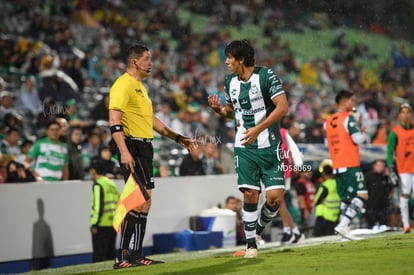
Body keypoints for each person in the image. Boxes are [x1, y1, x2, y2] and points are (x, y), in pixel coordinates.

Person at [109, 43, 196, 268]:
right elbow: (114, 120)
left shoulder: (140, 88)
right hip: (132, 146)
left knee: (145, 203)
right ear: (134, 62)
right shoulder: (123, 84)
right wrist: (124, 151)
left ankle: (135, 254)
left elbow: (152, 121)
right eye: (147, 59)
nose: (151, 63)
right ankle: (122, 256)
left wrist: (179, 138)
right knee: (139, 201)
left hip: (145, 148)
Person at [208, 39, 289, 258]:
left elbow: (283, 108)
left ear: (241, 59)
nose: (226, 62)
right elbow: (231, 112)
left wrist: (258, 129)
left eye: (229, 58)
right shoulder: (229, 82)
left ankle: (258, 228)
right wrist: (218, 110)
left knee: (274, 197)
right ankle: (251, 244)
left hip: (270, 145)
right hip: (244, 147)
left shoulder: (266, 76)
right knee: (250, 193)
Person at [324, 89, 368, 240]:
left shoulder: (328, 122)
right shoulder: (348, 119)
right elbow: (358, 139)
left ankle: (343, 233)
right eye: (352, 100)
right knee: (362, 194)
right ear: (344, 101)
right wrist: (364, 133)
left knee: (346, 199)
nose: (354, 103)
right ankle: (343, 225)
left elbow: (326, 142)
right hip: (350, 163)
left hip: (337, 164)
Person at [387, 102, 414, 233]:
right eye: (403, 112)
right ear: (399, 115)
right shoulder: (395, 133)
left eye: (408, 112)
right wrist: (390, 168)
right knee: (405, 195)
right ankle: (406, 224)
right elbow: (389, 151)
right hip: (404, 169)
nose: (406, 115)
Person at [89, 157, 120, 262]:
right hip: (113, 224)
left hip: (101, 225)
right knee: (110, 257)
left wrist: (94, 223)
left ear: (94, 171)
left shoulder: (98, 184)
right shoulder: (112, 184)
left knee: (100, 258)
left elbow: (98, 206)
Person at [279, 127, 305, 244]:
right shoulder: (282, 132)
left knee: (279, 201)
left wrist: (297, 166)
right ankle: (292, 230)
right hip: (272, 172)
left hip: (282, 171)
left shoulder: (282, 132)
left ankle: (290, 231)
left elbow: (294, 150)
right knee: (279, 202)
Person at [364, 159, 395, 229]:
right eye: (379, 165)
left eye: (383, 166)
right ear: (374, 166)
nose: (381, 167)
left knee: (384, 226)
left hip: (384, 206)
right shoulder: (368, 176)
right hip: (371, 205)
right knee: (370, 227)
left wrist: (389, 176)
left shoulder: (386, 177)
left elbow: (394, 186)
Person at [314, 160, 341, 237]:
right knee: (332, 237)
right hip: (335, 214)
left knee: (320, 238)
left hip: (324, 215)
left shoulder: (325, 185)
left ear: (324, 174)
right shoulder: (337, 184)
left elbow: (316, 200)